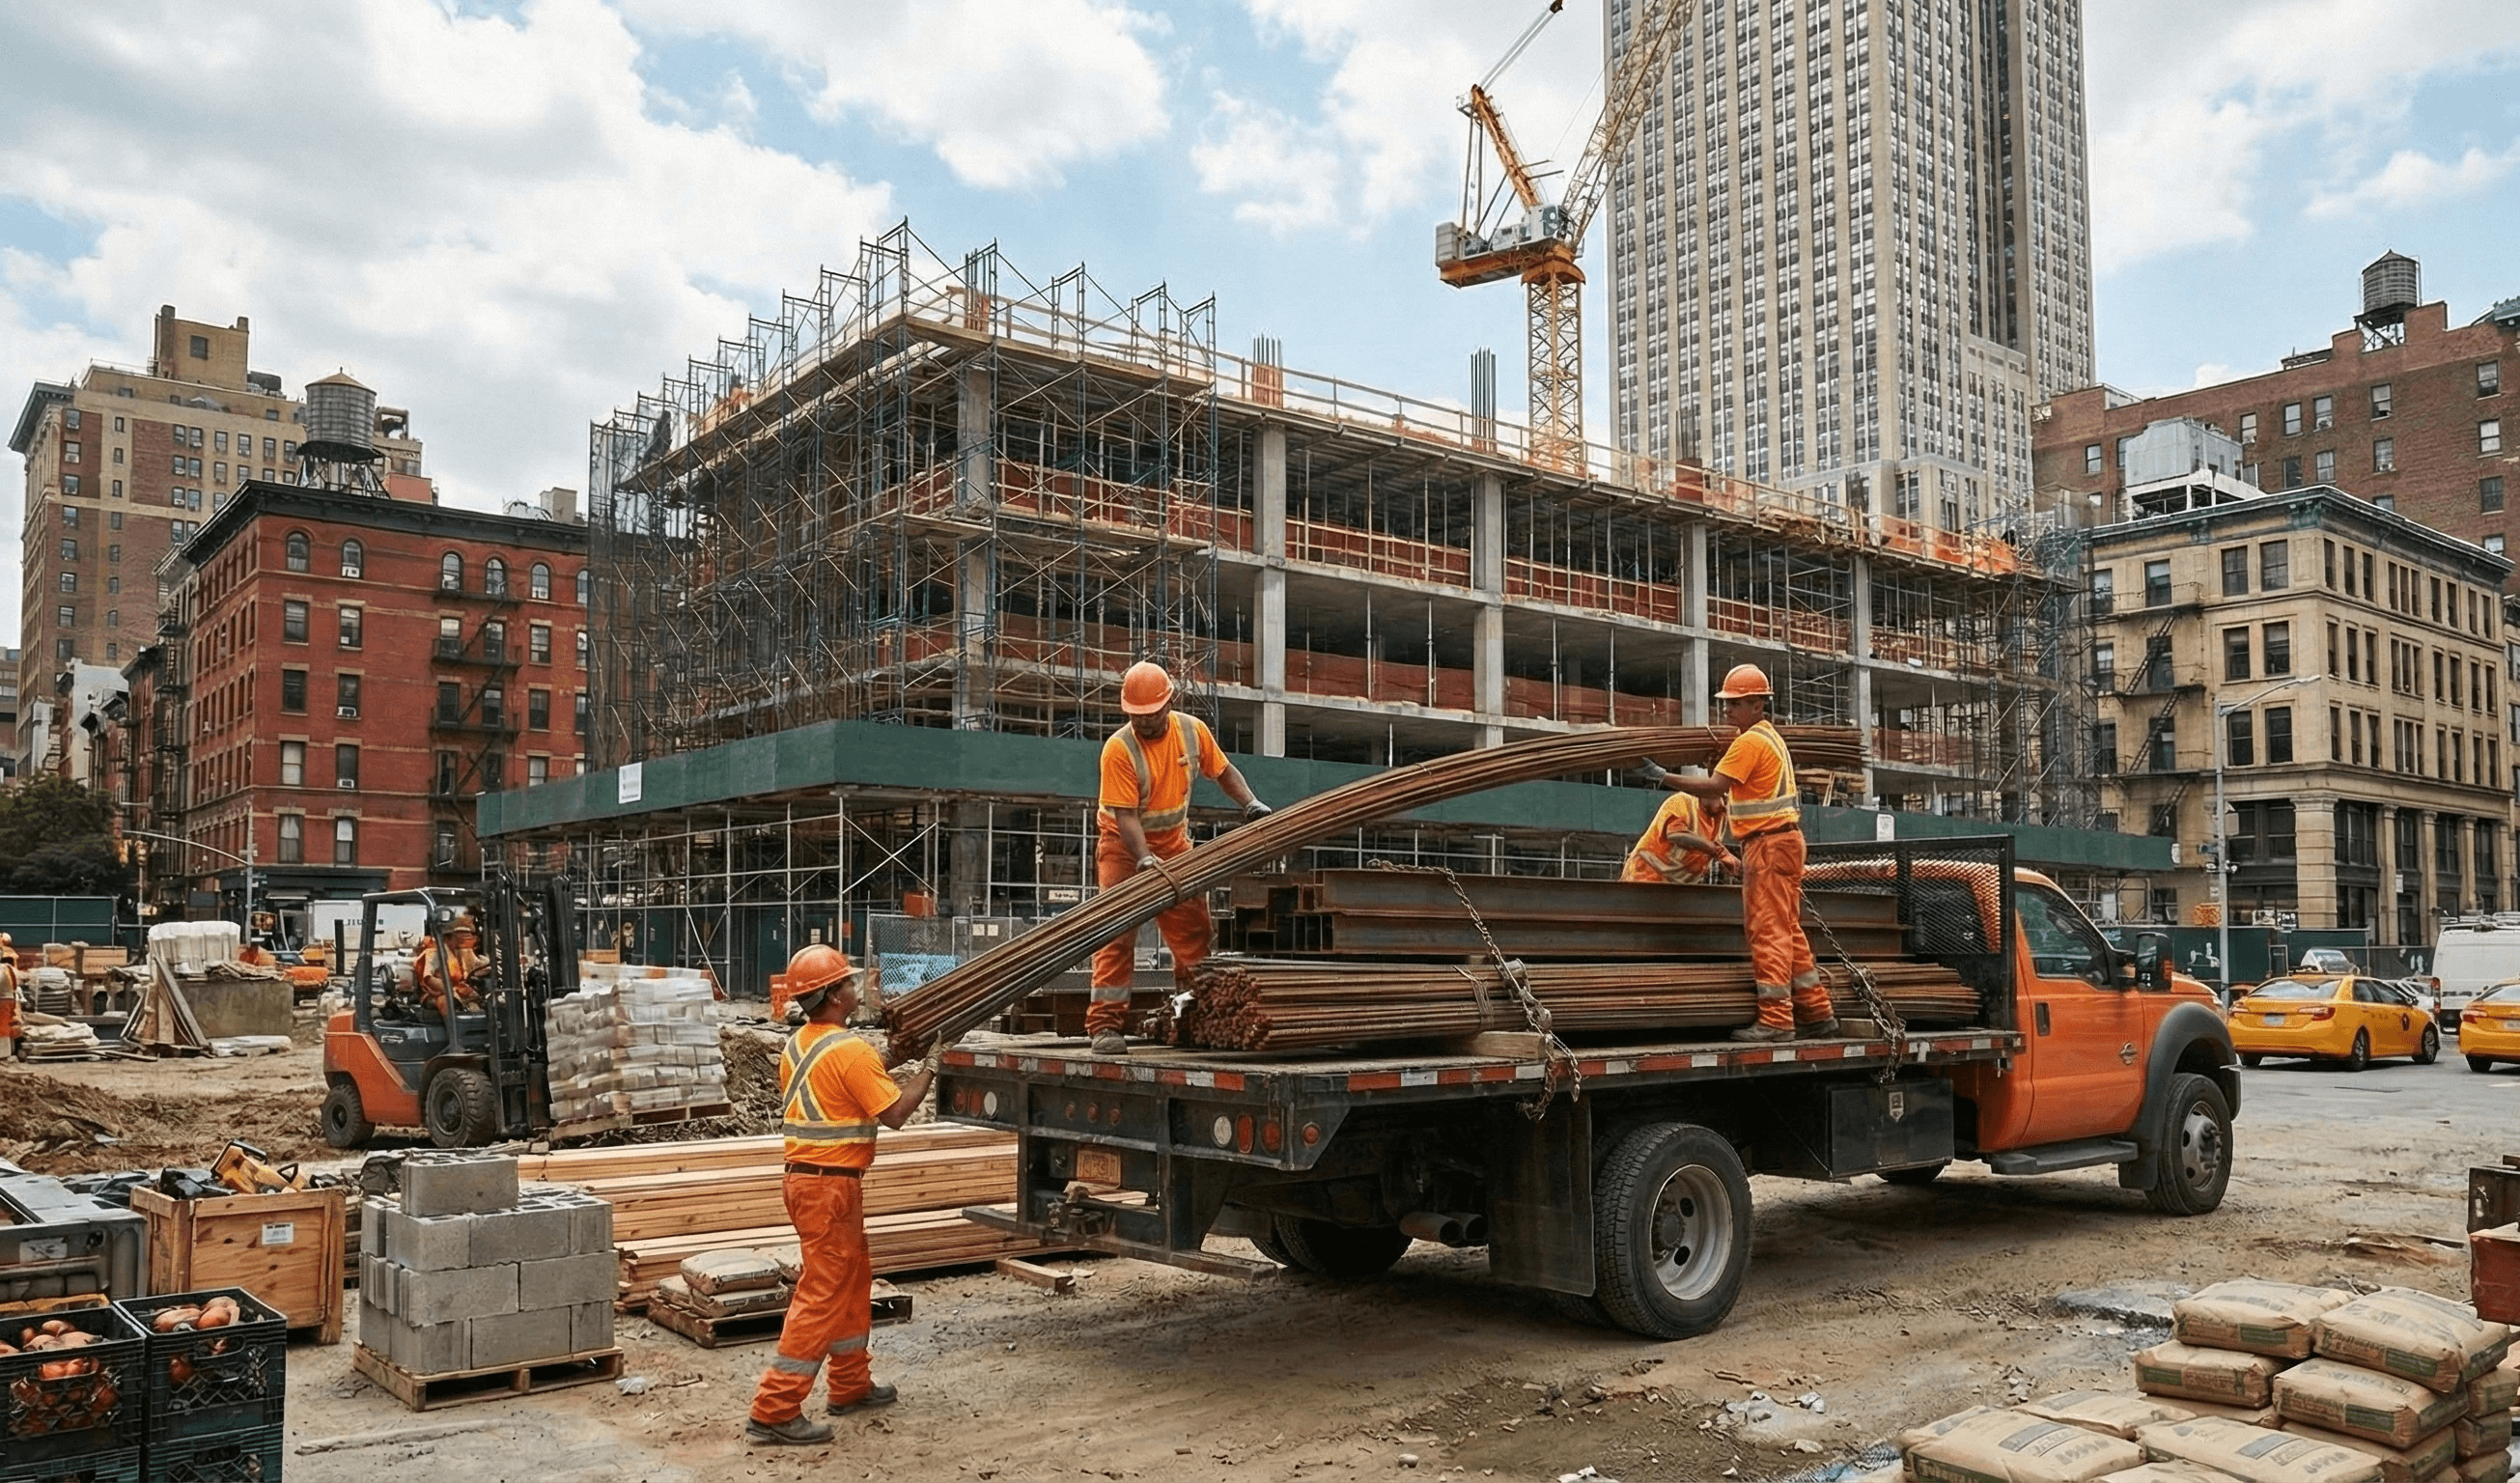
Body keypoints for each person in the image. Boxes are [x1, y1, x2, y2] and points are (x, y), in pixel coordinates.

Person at [745, 943, 945, 1446]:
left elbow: (851, 1090)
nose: (856, 987)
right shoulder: (849, 1051)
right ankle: (774, 1408)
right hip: (829, 1187)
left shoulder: (800, 1046)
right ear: (834, 996)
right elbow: (896, 1113)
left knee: (853, 1279)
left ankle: (850, 1384)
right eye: (849, 982)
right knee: (823, 1292)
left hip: (813, 1182)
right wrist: (932, 1067)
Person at [1089, 661, 1268, 1056]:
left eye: (1151, 715)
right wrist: (1144, 859)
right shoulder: (1119, 749)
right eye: (1136, 716)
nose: (1144, 723)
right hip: (1123, 848)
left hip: (1173, 846)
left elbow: (1223, 771)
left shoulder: (1192, 731)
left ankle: (1191, 1015)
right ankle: (1104, 1026)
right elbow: (1126, 816)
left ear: (1169, 703)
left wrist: (1250, 803)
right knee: (1115, 935)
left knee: (1193, 936)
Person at [1652, 665, 1836, 1043]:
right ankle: (1817, 1013)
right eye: (1726, 704)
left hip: (1767, 846)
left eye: (1735, 704)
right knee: (1788, 930)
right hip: (1783, 842)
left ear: (1757, 705)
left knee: (1767, 932)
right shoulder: (1770, 738)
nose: (1727, 711)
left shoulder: (1750, 742)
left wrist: (1663, 777)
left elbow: (1716, 786)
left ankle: (1776, 1021)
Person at [1620, 781, 1736, 885]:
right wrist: (1715, 850)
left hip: (1678, 885)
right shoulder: (1682, 802)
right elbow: (1675, 834)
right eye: (1722, 799)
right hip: (1647, 874)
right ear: (1706, 793)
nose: (1723, 806)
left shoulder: (1718, 816)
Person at [414, 916, 486, 1020]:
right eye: (462, 932)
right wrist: (451, 991)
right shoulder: (435, 952)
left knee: (480, 1002)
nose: (467, 935)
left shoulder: (463, 952)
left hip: (457, 990)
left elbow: (477, 967)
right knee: (448, 1003)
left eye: (468, 933)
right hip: (437, 994)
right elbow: (429, 978)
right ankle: (453, 1032)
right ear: (449, 936)